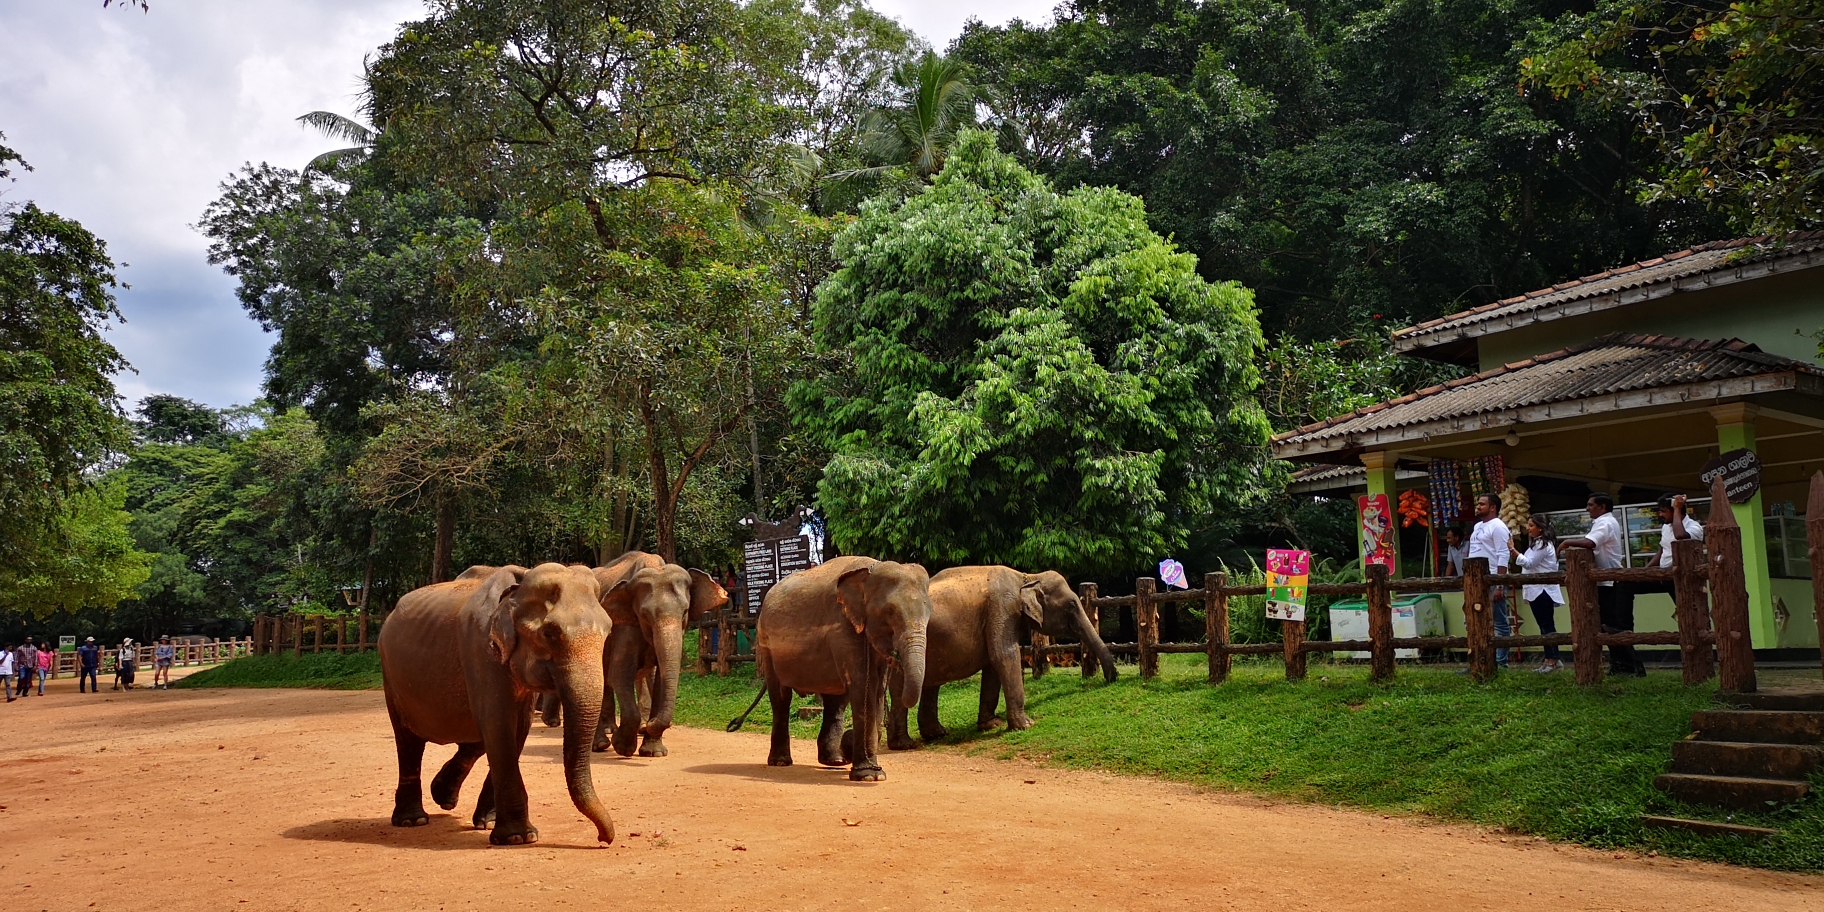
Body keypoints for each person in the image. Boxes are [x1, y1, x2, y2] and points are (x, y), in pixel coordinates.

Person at [1560, 493, 1641, 676]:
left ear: (1602, 507)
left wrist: (1566, 542)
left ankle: (1628, 667)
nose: (1587, 508)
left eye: (1591, 505)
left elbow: (1590, 543)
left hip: (1610, 581)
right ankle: (1623, 666)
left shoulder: (1605, 523)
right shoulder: (1603, 523)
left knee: (1613, 626)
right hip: (1605, 581)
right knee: (1608, 624)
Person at [1512, 514, 1565, 673]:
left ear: (1540, 528)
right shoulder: (1536, 544)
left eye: (1531, 526)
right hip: (1537, 590)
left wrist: (1512, 550)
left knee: (1547, 626)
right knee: (1544, 626)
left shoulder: (1543, 544)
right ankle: (1550, 658)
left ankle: (1553, 660)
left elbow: (1529, 563)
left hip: (1542, 590)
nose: (1528, 529)